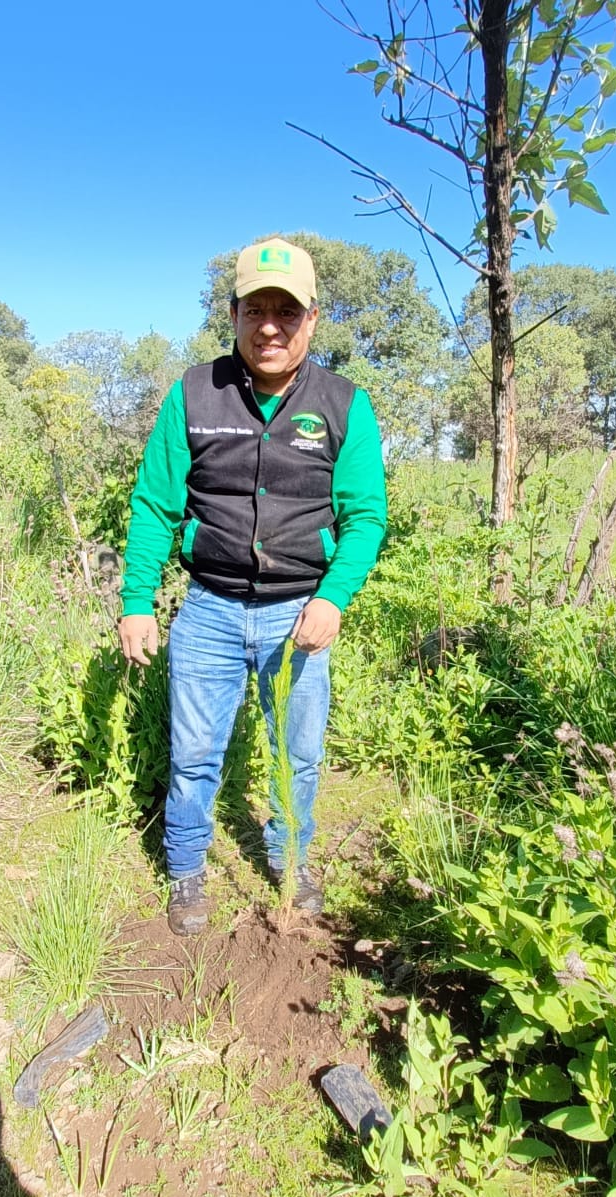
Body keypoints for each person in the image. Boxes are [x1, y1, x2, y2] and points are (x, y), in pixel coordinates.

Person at [117, 237, 387, 936]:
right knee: (195, 752)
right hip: (207, 609)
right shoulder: (193, 394)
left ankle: (290, 863)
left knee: (296, 754)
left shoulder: (344, 405)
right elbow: (154, 505)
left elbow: (365, 519)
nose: (271, 326)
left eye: (287, 312)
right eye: (256, 309)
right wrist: (138, 602)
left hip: (298, 613)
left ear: (313, 319)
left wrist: (332, 599)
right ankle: (185, 872)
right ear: (233, 314)